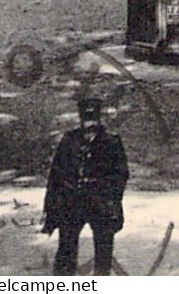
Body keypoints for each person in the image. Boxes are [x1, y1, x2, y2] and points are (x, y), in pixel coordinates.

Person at [43, 95, 128, 276]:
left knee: (103, 250)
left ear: (99, 118)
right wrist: (51, 207)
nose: (89, 123)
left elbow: (120, 175)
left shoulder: (111, 141)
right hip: (72, 202)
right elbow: (56, 174)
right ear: (81, 118)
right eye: (86, 118)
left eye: (93, 118)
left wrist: (109, 196)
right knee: (66, 250)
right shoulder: (69, 139)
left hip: (101, 203)